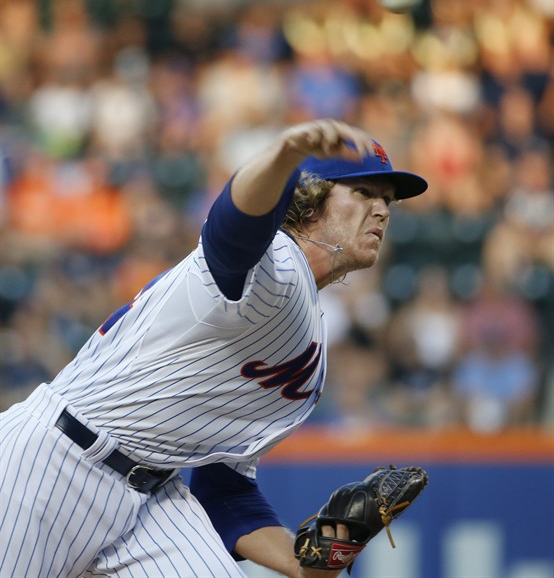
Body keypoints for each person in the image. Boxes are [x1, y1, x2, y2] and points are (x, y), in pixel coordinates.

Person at [0, 119, 427, 578]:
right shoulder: (276, 262)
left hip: (152, 497)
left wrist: (303, 562)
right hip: (53, 462)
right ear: (310, 197)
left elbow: (225, 487)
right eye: (363, 192)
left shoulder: (310, 341)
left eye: (388, 199)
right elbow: (233, 228)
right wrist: (284, 155)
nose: (383, 209)